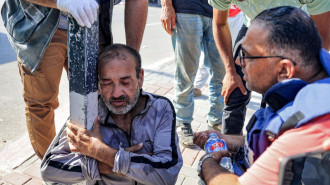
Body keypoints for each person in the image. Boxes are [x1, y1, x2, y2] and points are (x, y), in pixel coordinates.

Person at [194, 6, 330, 185]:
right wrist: (227, 139)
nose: (237, 61)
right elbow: (275, 142)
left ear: (284, 69)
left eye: (246, 55)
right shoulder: (308, 93)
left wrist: (208, 162)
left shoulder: (312, 130)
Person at [1, 0, 148, 159]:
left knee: (101, 99)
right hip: (40, 27)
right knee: (40, 103)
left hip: (91, 22)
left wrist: (132, 60)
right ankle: (54, 169)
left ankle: (96, 163)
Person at [40, 44, 183, 184]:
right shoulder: (89, 111)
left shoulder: (160, 108)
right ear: (99, 83)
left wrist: (100, 152)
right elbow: (49, 169)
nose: (116, 93)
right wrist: (114, 164)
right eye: (107, 83)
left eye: (125, 82)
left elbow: (167, 174)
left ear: (140, 78)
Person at [209, 0, 330, 135]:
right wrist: (230, 71)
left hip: (292, 32)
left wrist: (305, 81)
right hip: (253, 26)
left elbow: (322, 36)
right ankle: (231, 149)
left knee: (282, 96)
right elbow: (219, 24)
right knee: (234, 92)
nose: (238, 61)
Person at [160, 0, 226, 146]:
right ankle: (183, 121)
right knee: (186, 73)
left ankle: (216, 119)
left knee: (220, 71)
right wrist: (166, 5)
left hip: (216, 9)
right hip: (186, 9)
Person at [194, 4, 243, 97]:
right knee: (209, 53)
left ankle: (233, 86)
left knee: (235, 53)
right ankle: (198, 85)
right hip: (218, 15)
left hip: (237, 15)